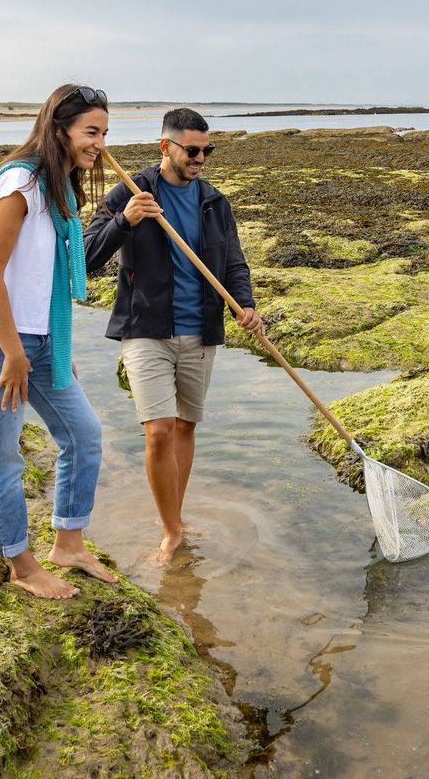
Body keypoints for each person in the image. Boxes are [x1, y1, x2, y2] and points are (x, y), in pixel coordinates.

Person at [0, 83, 118, 600]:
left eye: (104, 133)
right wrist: (13, 354)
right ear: (59, 129)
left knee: (84, 435)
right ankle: (20, 565)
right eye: (91, 132)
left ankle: (68, 543)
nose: (99, 143)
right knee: (2, 456)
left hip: (43, 341)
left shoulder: (58, 188)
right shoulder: (20, 183)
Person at [83, 108, 263, 564]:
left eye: (207, 150)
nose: (201, 158)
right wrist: (125, 220)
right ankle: (169, 531)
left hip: (201, 331)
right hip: (147, 329)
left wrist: (246, 306)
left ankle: (177, 518)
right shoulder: (131, 190)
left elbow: (235, 264)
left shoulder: (214, 202)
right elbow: (84, 257)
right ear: (166, 147)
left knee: (185, 426)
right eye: (192, 150)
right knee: (159, 430)